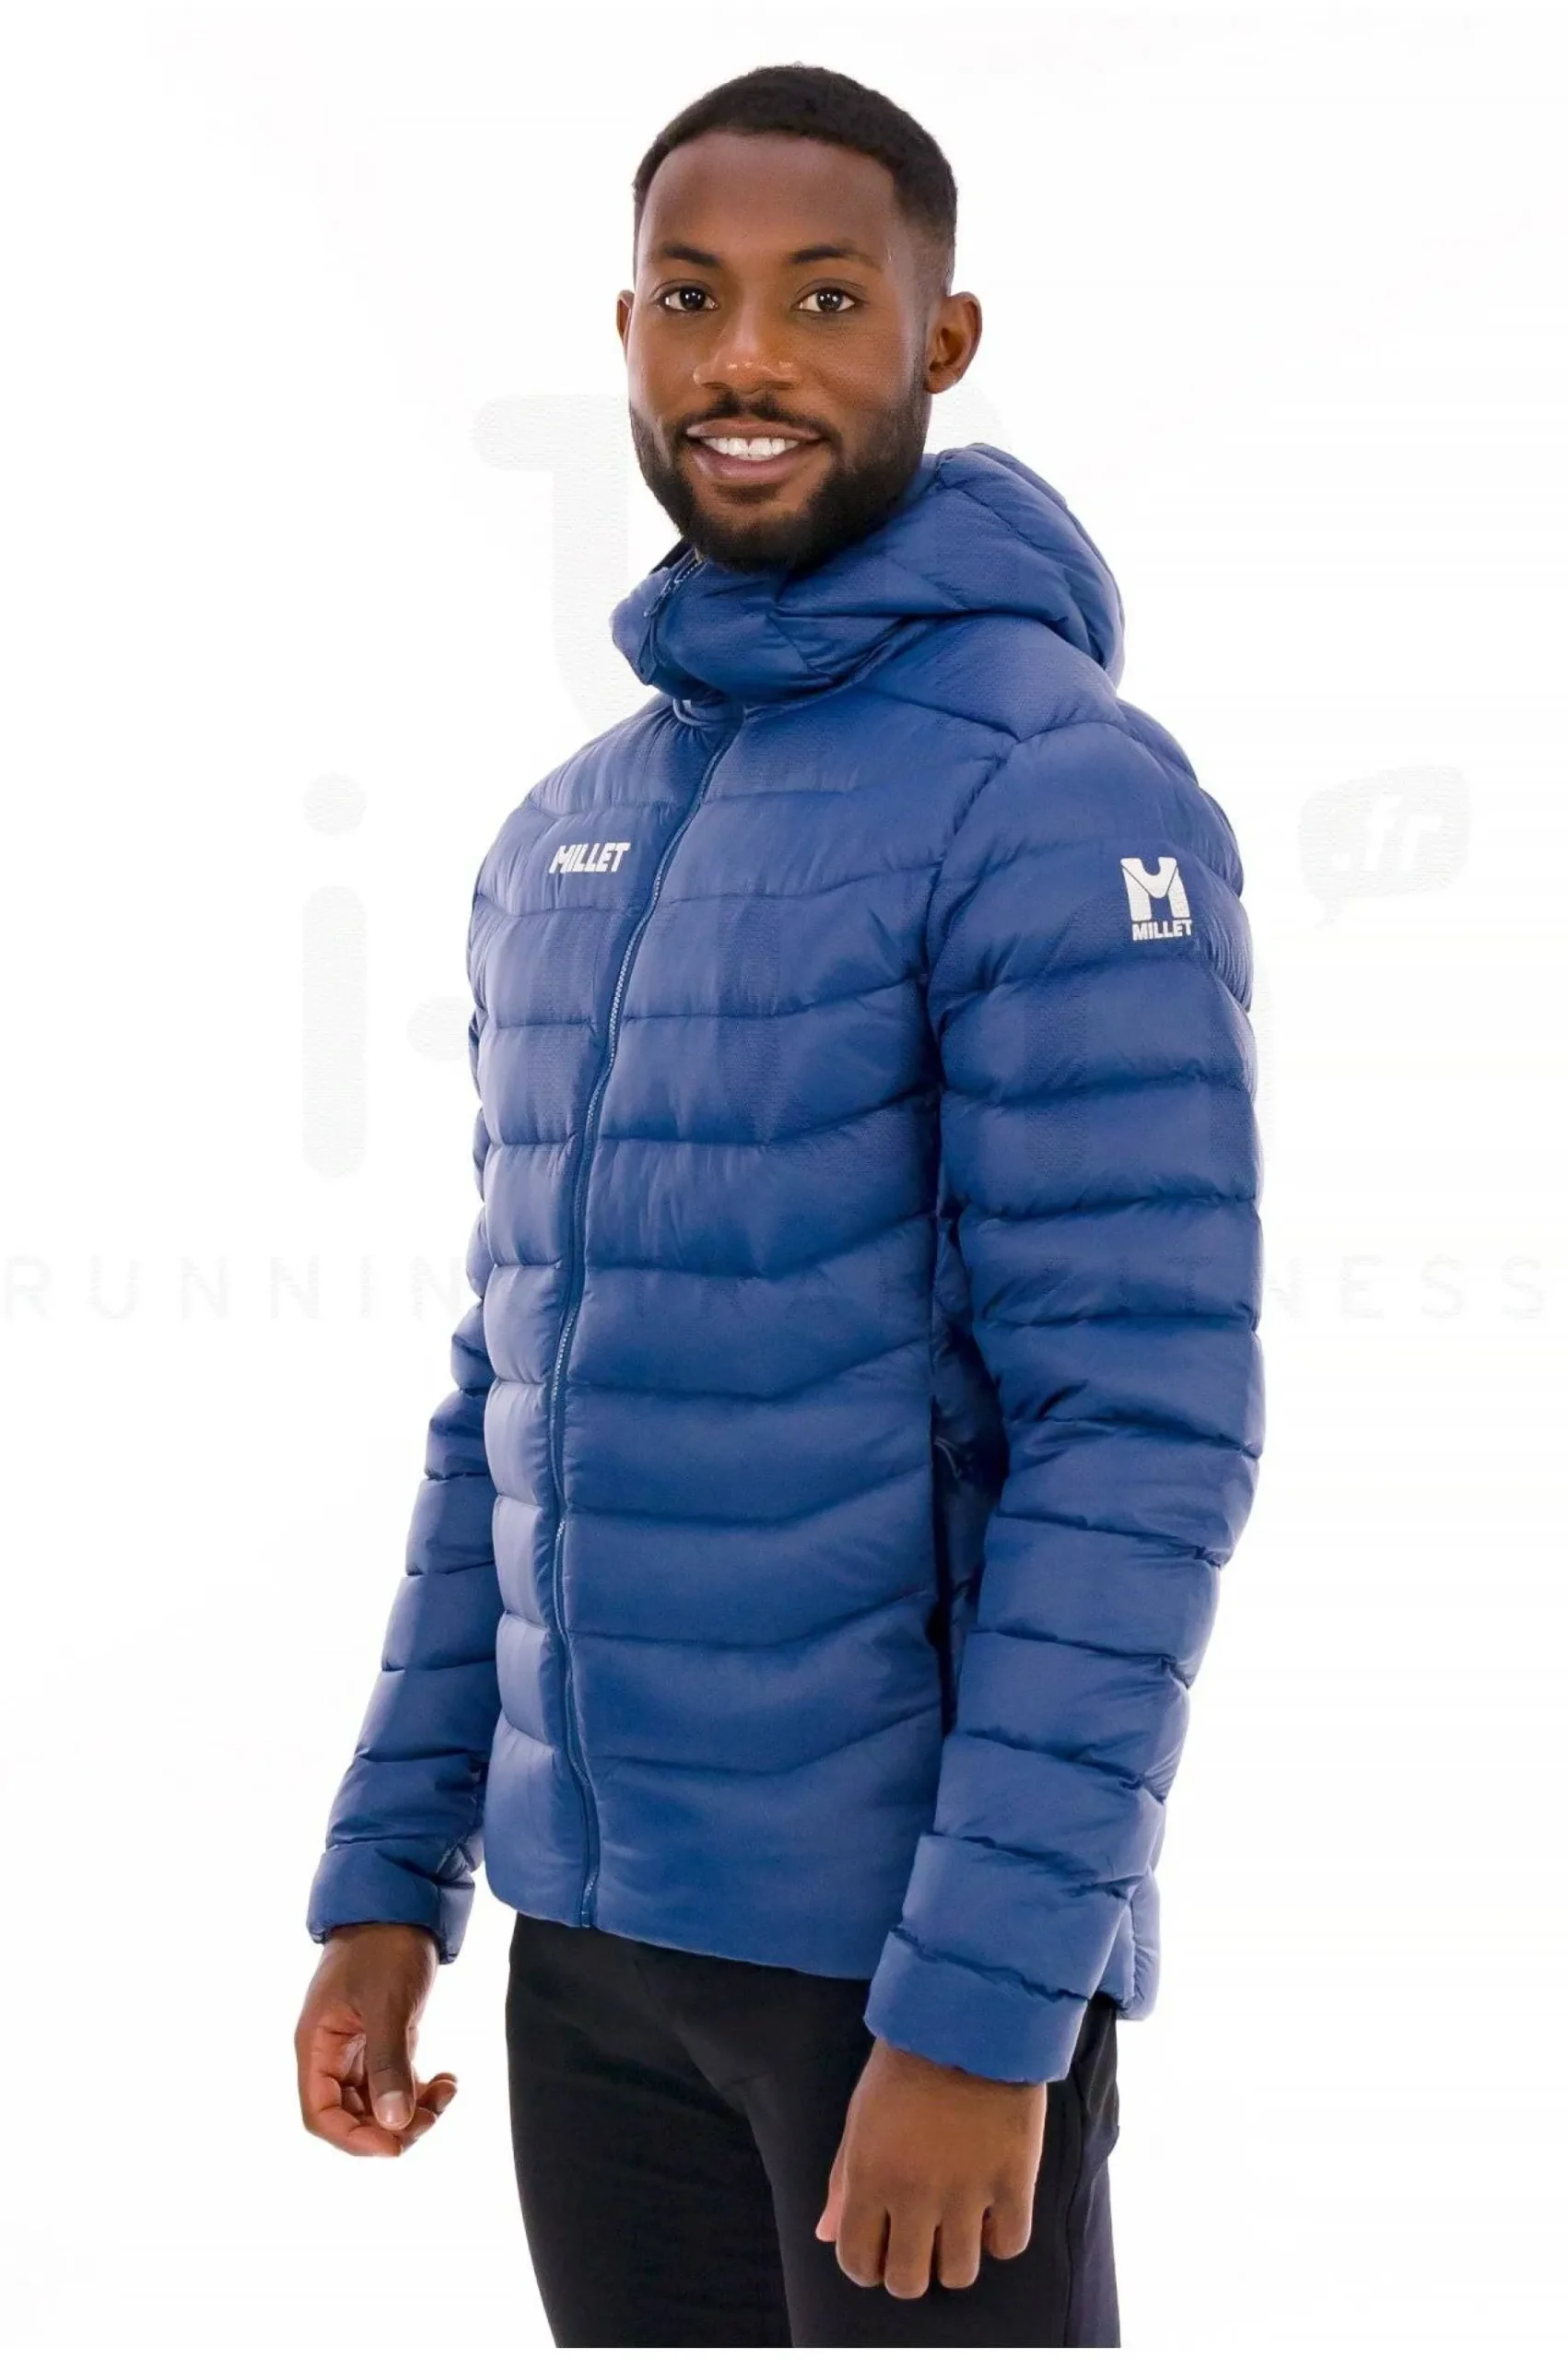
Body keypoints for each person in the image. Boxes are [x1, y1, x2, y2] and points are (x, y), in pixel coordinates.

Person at [294, 61, 1263, 2349]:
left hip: (895, 1979)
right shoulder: (559, 834)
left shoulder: (1055, 788)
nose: (745, 356)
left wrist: (986, 2003)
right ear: (624, 333)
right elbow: (504, 1392)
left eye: (826, 299)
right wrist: (390, 1875)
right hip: (591, 1963)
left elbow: (1134, 1433)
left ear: (940, 338)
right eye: (688, 296)